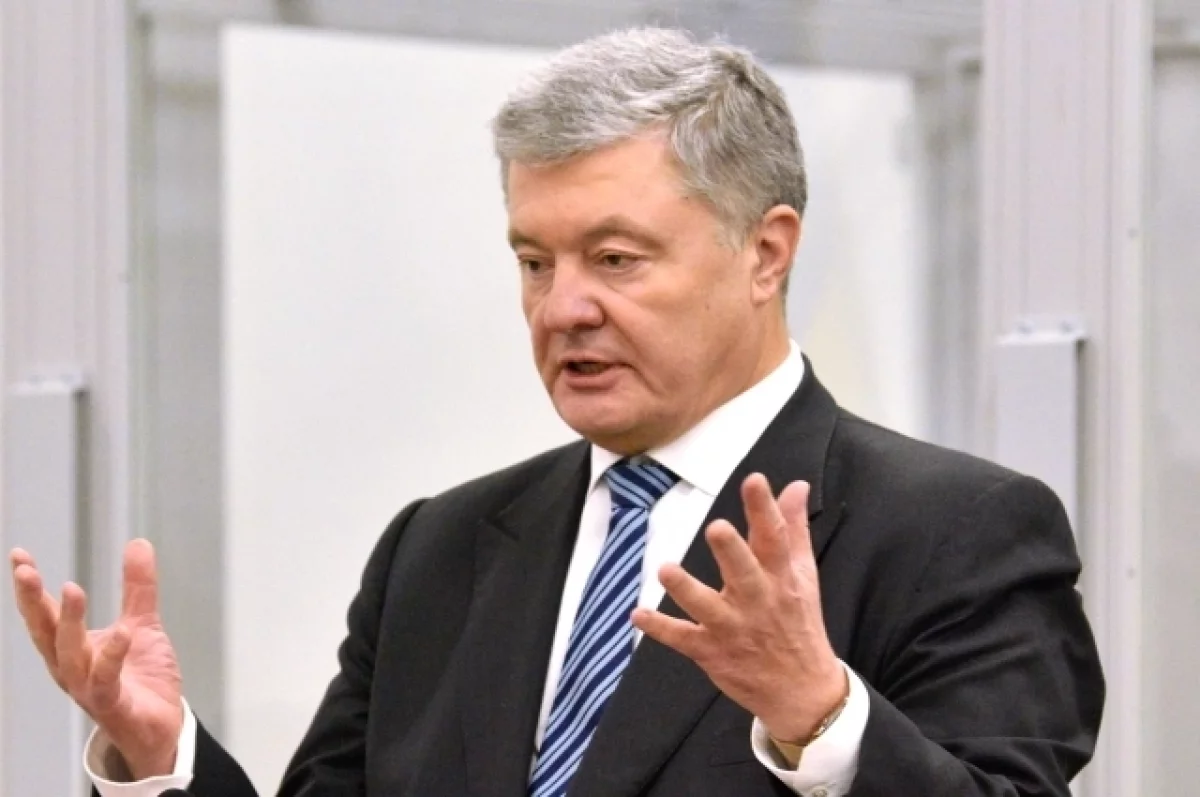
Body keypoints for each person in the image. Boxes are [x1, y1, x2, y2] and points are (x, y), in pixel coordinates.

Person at [9, 26, 1103, 797]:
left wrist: (824, 719)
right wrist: (162, 761)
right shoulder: (438, 550)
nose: (563, 306)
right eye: (535, 261)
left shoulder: (954, 532)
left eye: (615, 258)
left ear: (766, 253)